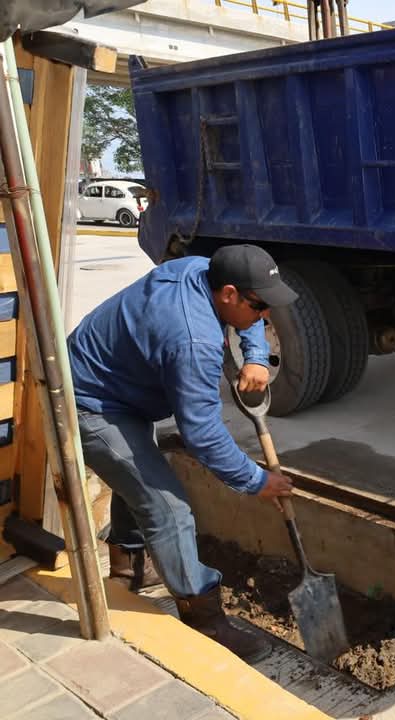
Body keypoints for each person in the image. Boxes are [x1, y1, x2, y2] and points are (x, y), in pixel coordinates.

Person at [68, 244, 296, 663]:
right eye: (259, 306)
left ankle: (128, 569)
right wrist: (257, 480)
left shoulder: (198, 269)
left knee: (139, 474)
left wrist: (257, 356)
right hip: (91, 401)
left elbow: (244, 312)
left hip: (121, 385)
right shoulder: (194, 341)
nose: (264, 317)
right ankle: (205, 619)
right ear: (228, 294)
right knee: (169, 507)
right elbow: (202, 433)